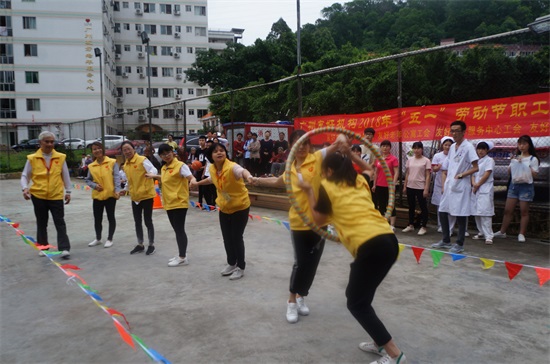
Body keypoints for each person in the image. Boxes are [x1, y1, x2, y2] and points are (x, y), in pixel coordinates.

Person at [299, 151, 407, 364]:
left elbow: (318, 220)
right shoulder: (359, 180)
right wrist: (349, 153)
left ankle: (395, 355)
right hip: (388, 241)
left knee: (356, 303)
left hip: (370, 245)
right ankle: (379, 342)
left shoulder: (327, 187)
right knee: (362, 297)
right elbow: (370, 168)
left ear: (328, 171)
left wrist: (310, 190)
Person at [253, 130, 344, 323]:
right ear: (291, 147)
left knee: (312, 264)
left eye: (305, 143)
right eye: (297, 143)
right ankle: (291, 301)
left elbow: (338, 143)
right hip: (298, 222)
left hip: (319, 222)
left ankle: (302, 296)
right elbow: (277, 182)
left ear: (310, 145)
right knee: (301, 262)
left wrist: (342, 139)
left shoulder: (317, 158)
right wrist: (257, 179)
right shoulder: (290, 168)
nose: (301, 147)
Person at [191, 143, 254, 280]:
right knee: (227, 237)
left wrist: (248, 177)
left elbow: (241, 171)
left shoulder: (232, 167)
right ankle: (231, 263)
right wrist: (197, 183)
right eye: (216, 151)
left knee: (236, 237)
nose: (219, 153)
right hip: (224, 206)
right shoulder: (212, 168)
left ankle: (241, 267)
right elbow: (211, 179)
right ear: (211, 156)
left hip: (240, 206)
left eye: (222, 150)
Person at [20, 131, 72, 259]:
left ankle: (64, 248)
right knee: (42, 222)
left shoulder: (60, 157)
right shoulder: (32, 158)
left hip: (56, 195)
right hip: (38, 195)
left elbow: (65, 175)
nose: (49, 144)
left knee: (60, 222)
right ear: (40, 143)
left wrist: (68, 191)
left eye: (52, 142)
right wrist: (25, 188)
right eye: (46, 141)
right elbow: (25, 175)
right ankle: (43, 247)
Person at [432, 120, 479, 253]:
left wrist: (462, 174)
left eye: (457, 131)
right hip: (450, 184)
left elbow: (476, 167)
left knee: (460, 214)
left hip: (461, 185)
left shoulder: (468, 147)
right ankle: (446, 240)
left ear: (463, 132)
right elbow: (448, 164)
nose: (454, 134)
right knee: (442, 210)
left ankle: (459, 243)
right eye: (452, 131)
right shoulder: (452, 147)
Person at [146, 144, 197, 266]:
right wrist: (154, 176)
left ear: (173, 152)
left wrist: (193, 181)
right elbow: (165, 178)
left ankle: (182, 257)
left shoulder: (180, 165)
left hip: (179, 202)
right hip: (169, 202)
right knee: (176, 230)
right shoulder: (164, 168)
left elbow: (191, 177)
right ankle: (181, 253)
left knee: (179, 230)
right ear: (160, 156)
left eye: (168, 152)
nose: (166, 156)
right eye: (163, 154)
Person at [493, 135, 539, 243]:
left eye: (524, 144)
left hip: (526, 186)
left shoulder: (533, 159)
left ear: (529, 145)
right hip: (514, 185)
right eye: (520, 144)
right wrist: (514, 162)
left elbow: (535, 175)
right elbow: (509, 172)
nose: (522, 146)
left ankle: (521, 233)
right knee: (508, 210)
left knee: (524, 211)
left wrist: (525, 165)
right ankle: (502, 231)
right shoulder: (515, 156)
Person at [119, 140, 158, 255]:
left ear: (134, 149)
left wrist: (151, 174)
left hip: (146, 195)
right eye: (124, 150)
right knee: (137, 221)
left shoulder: (142, 160)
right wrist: (125, 190)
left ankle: (151, 244)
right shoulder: (126, 165)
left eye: (128, 149)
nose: (127, 152)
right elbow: (129, 181)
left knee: (147, 220)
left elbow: (153, 170)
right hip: (135, 197)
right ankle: (140, 244)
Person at [85, 142, 121, 248]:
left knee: (111, 217)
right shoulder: (91, 166)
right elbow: (88, 180)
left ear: (103, 149)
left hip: (110, 195)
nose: (97, 151)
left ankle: (110, 239)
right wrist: (94, 186)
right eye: (94, 149)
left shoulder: (112, 162)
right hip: (97, 195)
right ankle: (98, 238)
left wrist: (117, 190)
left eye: (99, 148)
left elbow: (116, 178)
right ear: (92, 152)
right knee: (97, 218)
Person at [402, 142, 431, 235]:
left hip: (421, 187)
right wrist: (405, 186)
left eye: (418, 148)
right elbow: (407, 173)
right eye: (414, 148)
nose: (416, 150)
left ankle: (423, 226)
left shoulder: (426, 160)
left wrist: (426, 188)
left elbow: (427, 175)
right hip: (410, 186)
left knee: (423, 207)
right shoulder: (410, 160)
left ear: (422, 149)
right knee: (411, 206)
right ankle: (410, 225)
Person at [470, 141, 495, 245]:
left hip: (485, 187)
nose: (480, 151)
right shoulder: (476, 161)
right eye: (479, 149)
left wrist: (477, 185)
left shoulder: (489, 160)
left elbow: (487, 174)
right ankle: (481, 232)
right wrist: (473, 184)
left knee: (485, 212)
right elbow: (473, 174)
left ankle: (489, 235)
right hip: (476, 188)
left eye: (483, 149)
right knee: (477, 212)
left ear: (487, 150)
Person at [372, 140, 399, 230]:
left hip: (389, 186)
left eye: (387, 146)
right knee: (381, 205)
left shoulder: (393, 159)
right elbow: (376, 172)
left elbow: (396, 172)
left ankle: (392, 225)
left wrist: (393, 183)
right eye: (383, 146)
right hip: (379, 185)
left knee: (390, 205)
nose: (385, 148)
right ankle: (383, 223)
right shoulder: (378, 159)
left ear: (390, 148)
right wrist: (374, 184)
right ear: (380, 147)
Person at [431, 136, 454, 233]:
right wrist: (439, 166)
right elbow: (434, 169)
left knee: (450, 205)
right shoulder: (437, 156)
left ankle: (449, 226)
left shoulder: (454, 155)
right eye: (446, 145)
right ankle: (440, 225)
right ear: (442, 145)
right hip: (439, 182)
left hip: (451, 183)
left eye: (449, 145)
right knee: (440, 205)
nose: (447, 147)